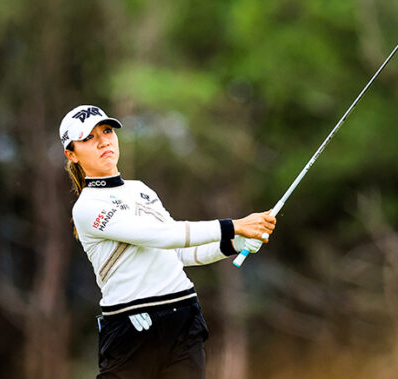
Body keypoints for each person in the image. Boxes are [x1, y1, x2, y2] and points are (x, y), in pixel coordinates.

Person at [59, 105, 276, 378]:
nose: (103, 141)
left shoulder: (141, 190)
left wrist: (235, 242)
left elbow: (176, 252)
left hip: (183, 319)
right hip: (132, 329)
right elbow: (161, 235)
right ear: (72, 154)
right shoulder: (87, 207)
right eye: (89, 138)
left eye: (107, 131)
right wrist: (234, 226)